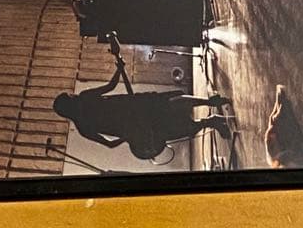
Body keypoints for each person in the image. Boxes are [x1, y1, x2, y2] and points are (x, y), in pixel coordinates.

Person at [52, 60, 230, 160]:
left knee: (171, 111)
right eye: (70, 97)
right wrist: (119, 69)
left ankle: (210, 109)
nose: (73, 95)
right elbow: (111, 86)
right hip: (137, 116)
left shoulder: (83, 120)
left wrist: (127, 136)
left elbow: (110, 143)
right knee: (173, 121)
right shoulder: (84, 114)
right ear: (69, 105)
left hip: (137, 113)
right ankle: (210, 115)